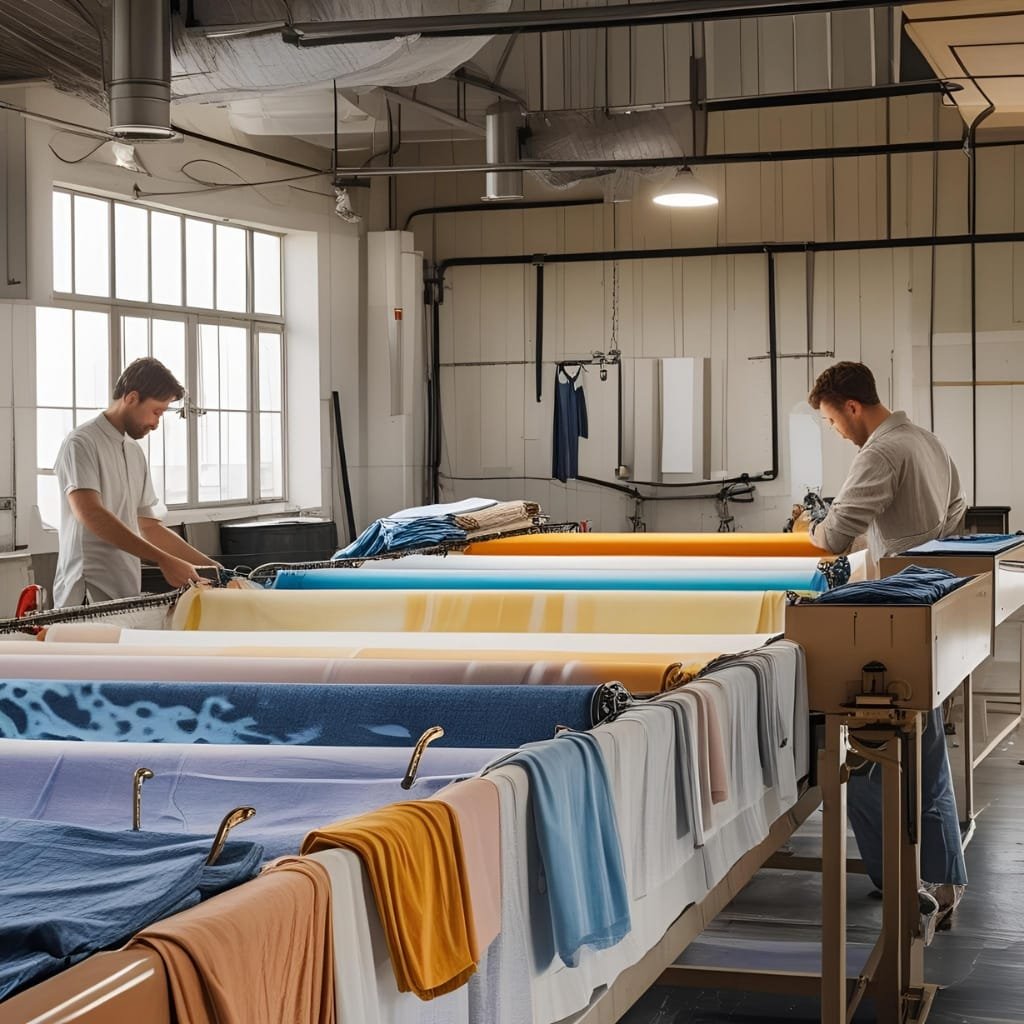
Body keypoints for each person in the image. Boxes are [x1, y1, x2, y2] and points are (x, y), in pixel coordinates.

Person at [795, 361, 968, 929]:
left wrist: (805, 531)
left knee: (869, 755)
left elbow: (837, 534)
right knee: (930, 747)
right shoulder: (928, 441)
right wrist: (917, 547)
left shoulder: (882, 451)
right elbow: (956, 511)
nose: (834, 431)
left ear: (850, 406)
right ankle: (943, 881)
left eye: (829, 419)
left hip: (896, 616)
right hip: (935, 603)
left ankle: (900, 880)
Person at [52, 357, 216, 607]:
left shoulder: (134, 451)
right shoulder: (81, 443)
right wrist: (163, 560)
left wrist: (213, 567)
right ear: (131, 398)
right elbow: (90, 513)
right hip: (86, 590)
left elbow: (149, 527)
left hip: (124, 588)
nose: (156, 423)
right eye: (156, 412)